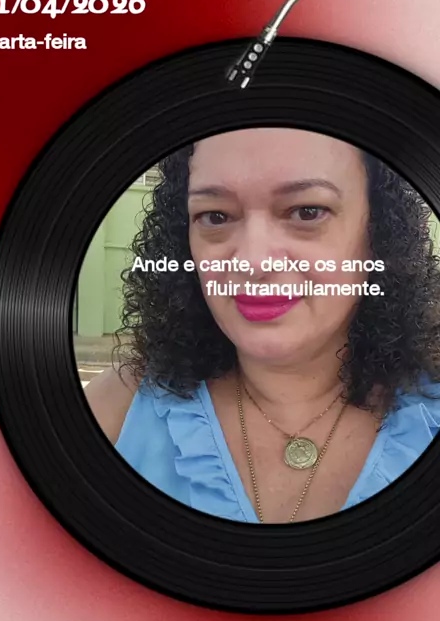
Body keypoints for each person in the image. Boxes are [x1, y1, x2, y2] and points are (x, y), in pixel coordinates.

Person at [84, 128, 440, 524]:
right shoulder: (115, 410)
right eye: (215, 216)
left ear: (378, 232)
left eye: (307, 211)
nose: (253, 263)